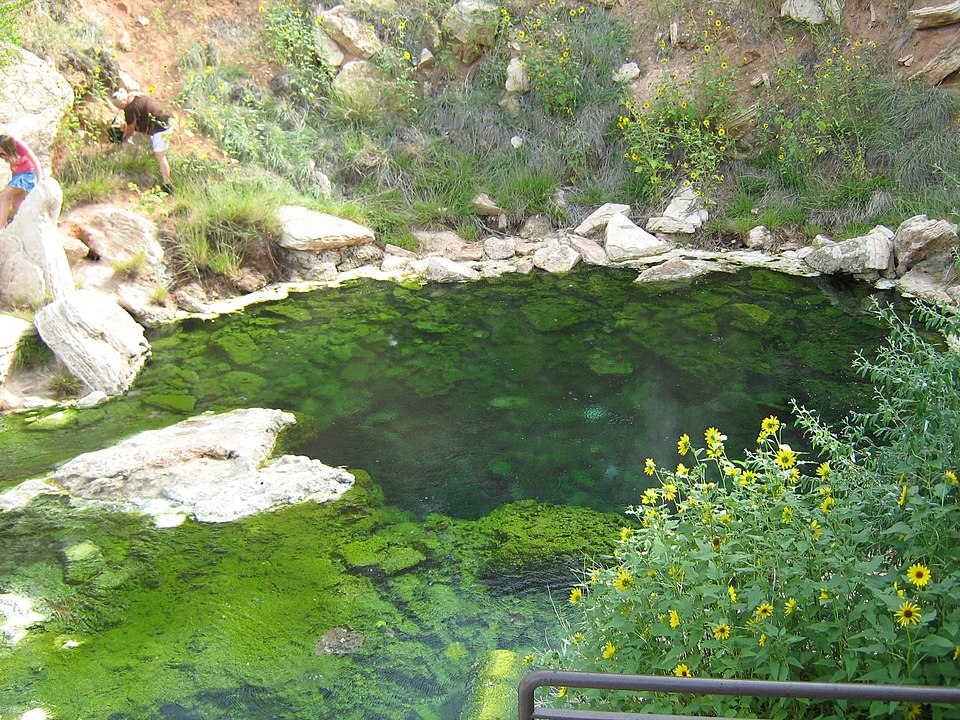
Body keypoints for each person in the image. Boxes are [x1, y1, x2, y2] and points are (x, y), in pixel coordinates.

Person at [110, 87, 174, 194]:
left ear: (125, 99)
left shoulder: (130, 109)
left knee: (160, 156)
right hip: (166, 118)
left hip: (161, 128)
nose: (120, 106)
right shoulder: (138, 97)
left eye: (121, 103)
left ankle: (167, 185)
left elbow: (130, 128)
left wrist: (123, 139)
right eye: (117, 105)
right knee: (144, 133)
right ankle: (154, 151)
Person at [0, 133, 43, 227]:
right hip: (17, 175)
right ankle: (29, 222)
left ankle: (1, 227)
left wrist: (39, 181)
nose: (2, 153)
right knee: (16, 202)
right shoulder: (5, 152)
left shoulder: (19, 145)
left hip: (27, 174)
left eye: (2, 150)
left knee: (3, 196)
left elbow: (35, 161)